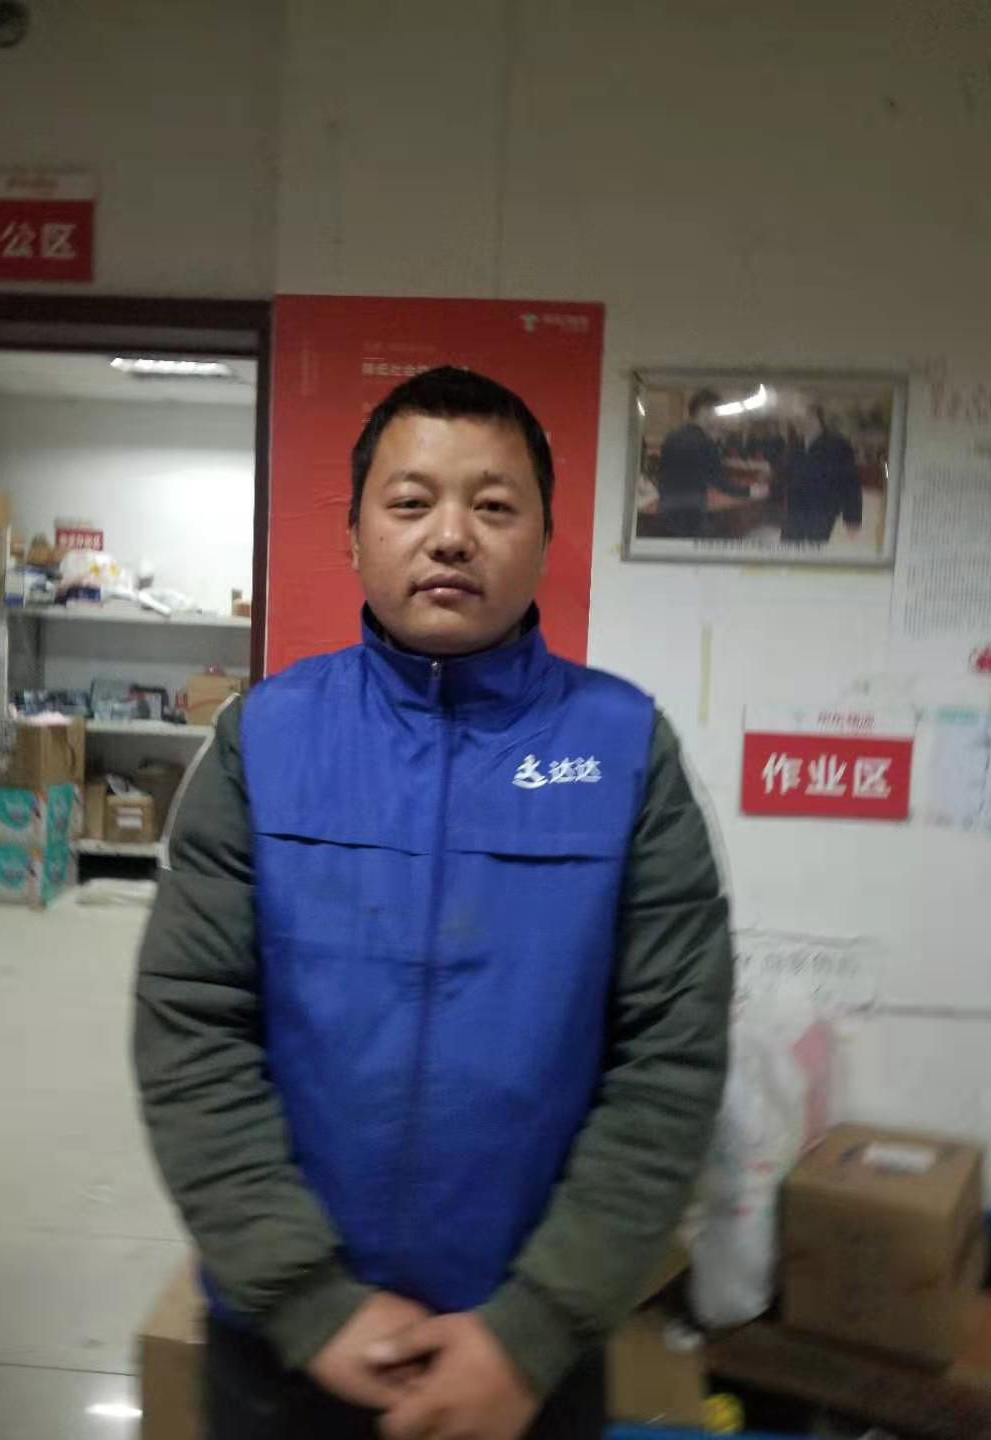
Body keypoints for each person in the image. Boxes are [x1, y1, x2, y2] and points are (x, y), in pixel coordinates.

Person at [134, 367, 732, 1440]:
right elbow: (191, 1031)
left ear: (544, 538)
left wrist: (536, 1326)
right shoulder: (263, 741)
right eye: (411, 503)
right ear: (354, 536)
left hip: (524, 1366)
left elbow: (671, 1061)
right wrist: (305, 1298)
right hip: (287, 1353)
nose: (450, 536)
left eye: (493, 505)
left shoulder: (624, 751)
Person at [655, 387, 762, 536]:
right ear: (705, 411)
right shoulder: (704, 442)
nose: (719, 417)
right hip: (691, 514)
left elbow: (662, 474)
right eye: (717, 411)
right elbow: (719, 481)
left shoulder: (671, 437)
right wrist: (750, 491)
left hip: (666, 510)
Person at [781, 404, 863, 543]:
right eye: (796, 418)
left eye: (804, 417)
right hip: (795, 509)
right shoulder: (796, 445)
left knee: (814, 548)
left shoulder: (838, 445)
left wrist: (852, 516)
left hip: (822, 511)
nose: (799, 422)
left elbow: (851, 482)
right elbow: (789, 475)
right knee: (788, 546)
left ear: (817, 419)